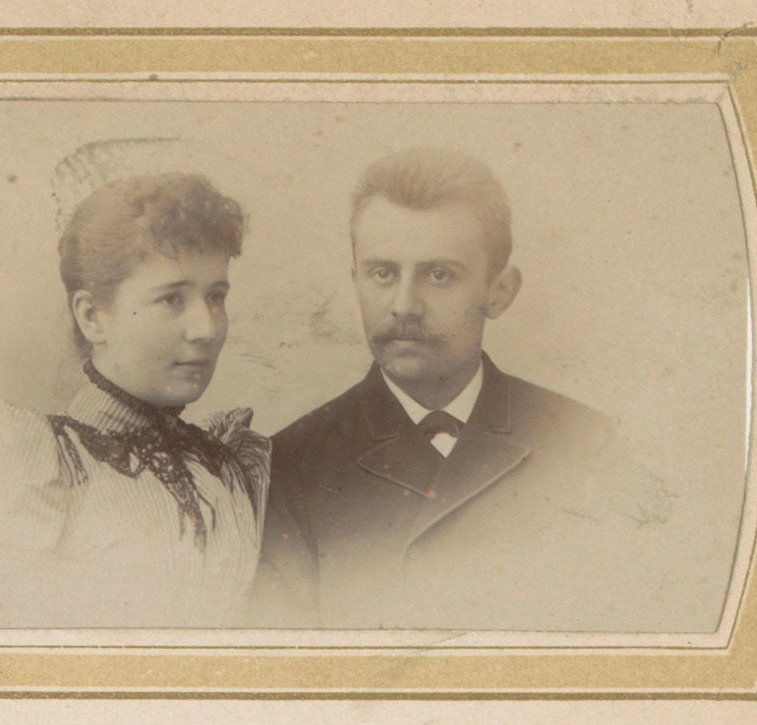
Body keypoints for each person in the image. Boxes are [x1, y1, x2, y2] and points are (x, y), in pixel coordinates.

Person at [254, 147, 620, 630]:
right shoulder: (290, 468)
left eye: (439, 275)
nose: (404, 305)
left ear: (500, 292)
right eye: (383, 274)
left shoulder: (584, 442)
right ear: (355, 280)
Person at [0, 174, 270, 628]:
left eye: (216, 297)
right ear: (93, 317)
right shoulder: (35, 457)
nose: (205, 328)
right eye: (172, 300)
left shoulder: (228, 465)